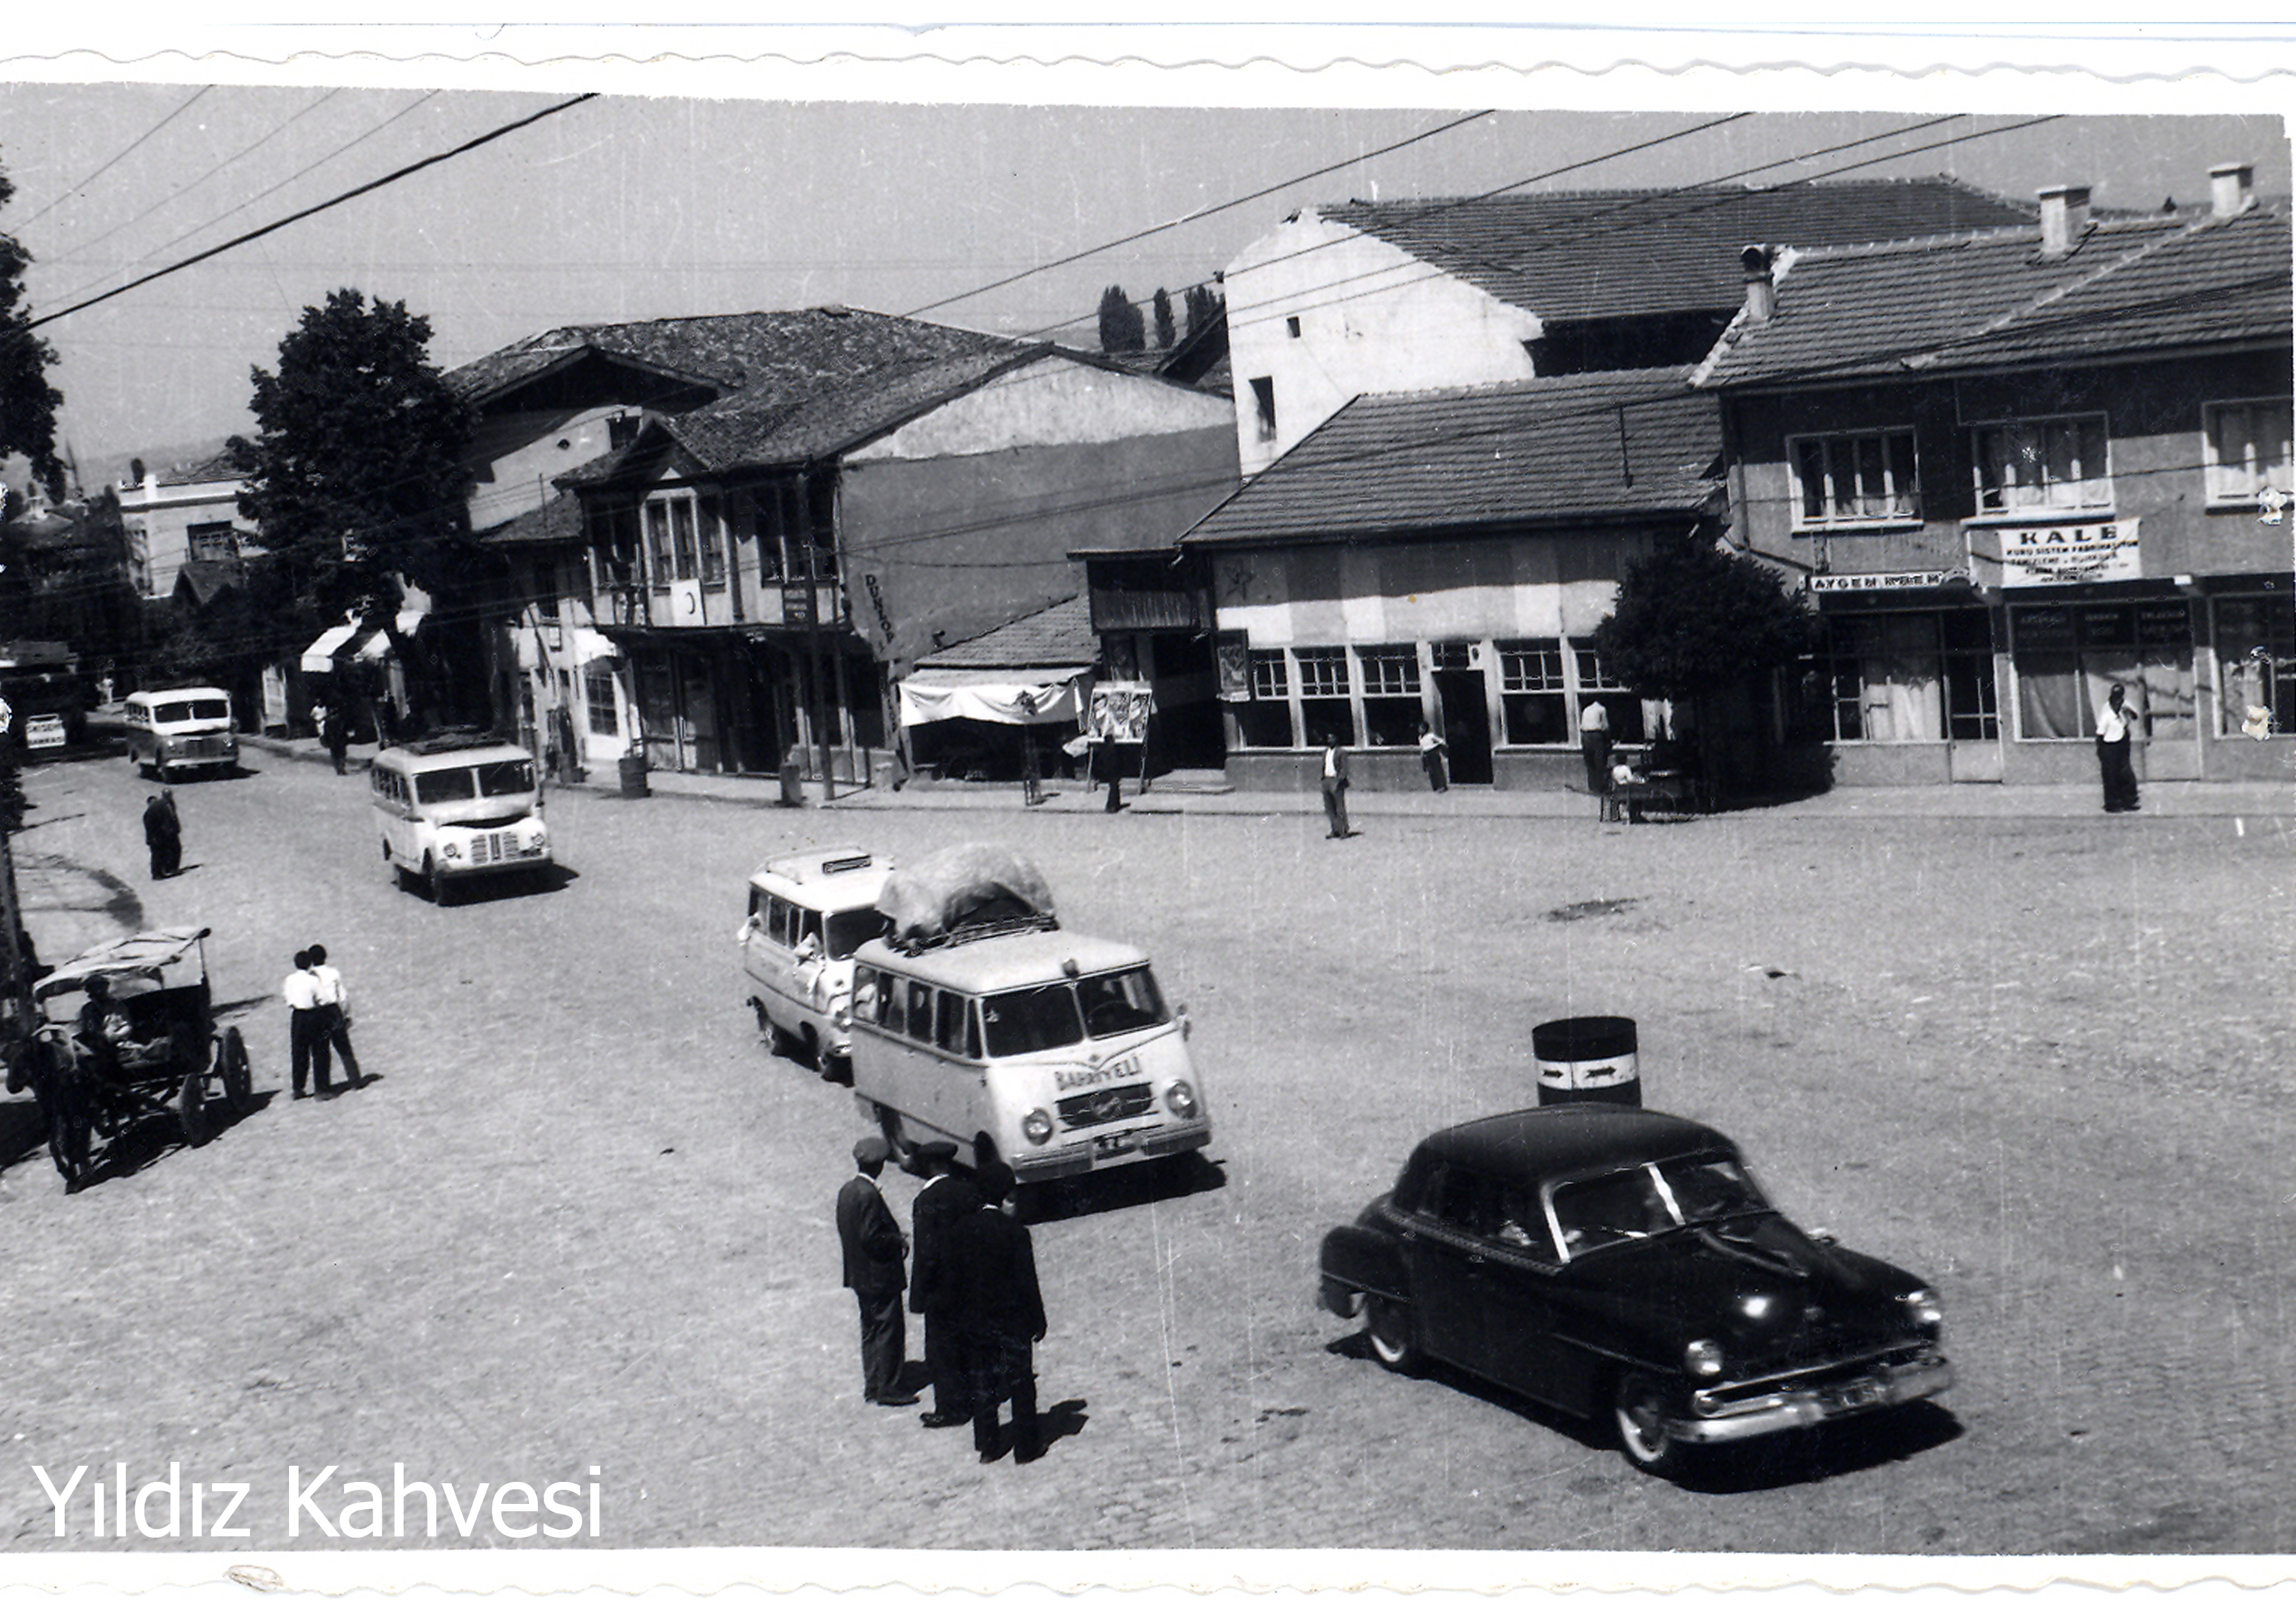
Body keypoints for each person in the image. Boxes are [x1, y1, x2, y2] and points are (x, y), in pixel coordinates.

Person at [945, 1159, 1048, 1464]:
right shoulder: (1015, 1233)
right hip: (1012, 1323)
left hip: (976, 1323)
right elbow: (1027, 1282)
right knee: (1020, 1381)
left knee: (982, 1383)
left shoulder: (960, 1231)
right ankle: (1026, 1447)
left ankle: (989, 1446)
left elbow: (955, 1283)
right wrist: (1037, 1320)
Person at [907, 1140, 982, 1429]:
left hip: (941, 1291)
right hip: (970, 1284)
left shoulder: (925, 1201)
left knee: (942, 1350)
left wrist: (918, 1297)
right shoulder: (968, 1192)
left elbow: (926, 1254)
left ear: (928, 1167)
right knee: (969, 1343)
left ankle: (951, 1408)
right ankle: (976, 1397)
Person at [837, 1135, 917, 1406]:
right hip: (879, 1276)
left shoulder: (848, 1190)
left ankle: (872, 1384)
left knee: (870, 1330)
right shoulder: (869, 1195)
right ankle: (889, 1387)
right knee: (888, 1330)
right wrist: (898, 1240)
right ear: (879, 1165)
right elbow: (871, 1235)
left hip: (858, 1276)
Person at [305, 943, 363, 1090]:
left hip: (317, 1013)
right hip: (333, 1012)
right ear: (325, 957)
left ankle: (322, 1087)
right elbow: (343, 996)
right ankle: (355, 1080)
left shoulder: (308, 976)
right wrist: (345, 1014)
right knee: (344, 1047)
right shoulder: (333, 973)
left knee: (320, 1052)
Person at [283, 950, 332, 1099]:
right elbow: (323, 999)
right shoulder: (313, 980)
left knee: (299, 1053)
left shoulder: (290, 980)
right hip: (314, 1015)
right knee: (320, 1052)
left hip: (298, 1017)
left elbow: (288, 999)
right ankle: (321, 1089)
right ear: (310, 964)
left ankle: (298, 1088)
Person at [2096, 683, 2140, 813]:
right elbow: (2100, 734)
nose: (2119, 703)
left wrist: (2128, 711)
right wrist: (2102, 751)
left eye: (2120, 699)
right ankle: (2112, 803)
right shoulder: (2106, 713)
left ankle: (2128, 801)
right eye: (2116, 700)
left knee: (2126, 773)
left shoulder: (2124, 706)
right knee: (2111, 775)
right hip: (2109, 744)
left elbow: (2135, 716)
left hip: (2122, 741)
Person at [142, 792, 181, 880]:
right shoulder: (158, 809)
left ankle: (162, 871)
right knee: (158, 854)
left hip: (158, 836)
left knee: (160, 854)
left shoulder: (151, 811)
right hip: (157, 836)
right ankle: (159, 873)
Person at [1319, 735, 1351, 839]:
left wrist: (1339, 781)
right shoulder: (1325, 752)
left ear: (1336, 739)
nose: (1330, 740)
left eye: (1332, 738)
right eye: (1328, 739)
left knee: (1339, 807)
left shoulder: (1341, 752)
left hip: (1336, 780)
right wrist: (1323, 779)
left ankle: (1343, 831)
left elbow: (1344, 769)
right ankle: (1335, 830)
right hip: (1327, 780)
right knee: (1329, 807)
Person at [1579, 698, 1612, 793]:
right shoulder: (1602, 709)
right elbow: (1605, 726)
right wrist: (1609, 740)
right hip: (1596, 735)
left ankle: (1592, 786)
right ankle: (1600, 786)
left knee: (1589, 761)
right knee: (1599, 761)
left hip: (1585, 735)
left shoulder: (1586, 709)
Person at [1415, 720, 1448, 793]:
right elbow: (1422, 748)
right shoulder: (1420, 738)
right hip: (1427, 754)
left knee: (1438, 769)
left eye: (1422, 728)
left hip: (1433, 753)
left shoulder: (1431, 736)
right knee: (1431, 771)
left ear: (1425, 729)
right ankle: (1436, 787)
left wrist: (1438, 747)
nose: (1420, 730)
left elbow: (1441, 741)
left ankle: (1442, 786)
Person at [323, 699, 349, 776]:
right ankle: (341, 768)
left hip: (333, 740)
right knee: (342, 753)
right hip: (340, 739)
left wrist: (326, 739)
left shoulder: (328, 720)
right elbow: (345, 729)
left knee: (335, 754)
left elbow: (326, 731)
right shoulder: (341, 719)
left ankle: (338, 768)